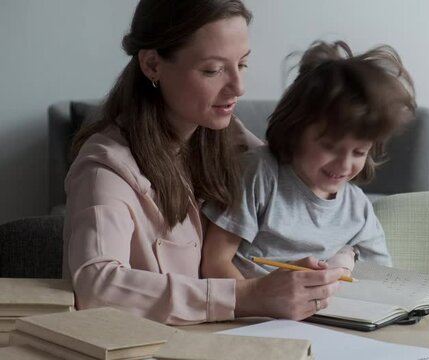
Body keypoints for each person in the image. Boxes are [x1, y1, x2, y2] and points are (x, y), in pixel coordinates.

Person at [63, 0, 346, 325]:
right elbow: (95, 284)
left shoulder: (233, 140)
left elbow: (290, 186)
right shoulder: (106, 168)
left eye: (242, 65)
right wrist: (248, 296)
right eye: (213, 70)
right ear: (152, 64)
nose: (238, 87)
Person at [200, 41, 416, 280]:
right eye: (329, 147)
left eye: (359, 152)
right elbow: (215, 263)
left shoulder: (357, 208)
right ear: (295, 130)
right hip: (255, 312)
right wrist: (256, 303)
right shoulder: (258, 174)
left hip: (328, 313)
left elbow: (383, 281)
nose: (344, 165)